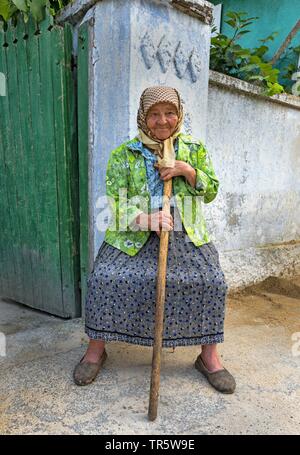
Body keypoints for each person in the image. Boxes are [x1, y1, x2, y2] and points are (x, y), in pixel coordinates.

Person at [73, 86, 236, 394]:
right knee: (104, 278)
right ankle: (96, 350)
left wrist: (186, 170)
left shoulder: (194, 149)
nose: (163, 121)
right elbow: (116, 202)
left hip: (185, 230)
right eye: (154, 114)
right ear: (143, 117)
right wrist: (145, 220)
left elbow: (211, 189)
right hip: (133, 234)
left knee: (211, 281)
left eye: (170, 113)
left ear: (179, 114)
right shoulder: (125, 153)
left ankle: (209, 356)